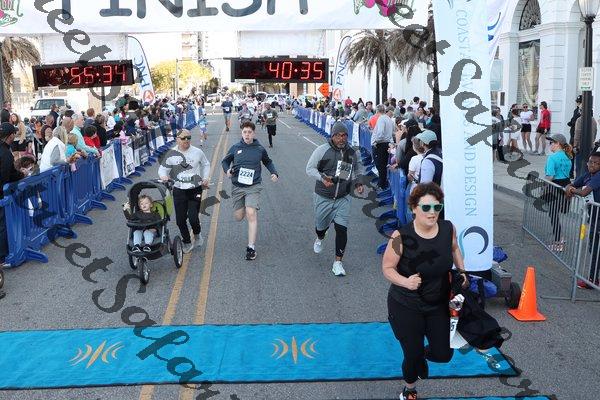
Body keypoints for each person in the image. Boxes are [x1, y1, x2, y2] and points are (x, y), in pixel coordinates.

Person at [382, 182, 468, 400]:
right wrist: (405, 281)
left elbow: (455, 248)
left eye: (437, 207)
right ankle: (409, 390)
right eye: (426, 207)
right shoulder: (400, 237)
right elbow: (387, 268)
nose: (432, 213)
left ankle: (420, 356)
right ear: (414, 208)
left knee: (443, 353)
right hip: (406, 304)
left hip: (437, 303)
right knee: (411, 354)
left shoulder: (448, 228)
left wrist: (462, 271)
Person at [306, 122, 364, 276]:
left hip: (343, 198)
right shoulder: (322, 150)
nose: (341, 138)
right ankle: (320, 236)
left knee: (341, 229)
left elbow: (358, 168)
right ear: (332, 136)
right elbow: (309, 168)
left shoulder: (352, 152)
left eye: (344, 135)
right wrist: (322, 178)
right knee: (320, 227)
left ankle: (338, 262)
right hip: (323, 196)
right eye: (338, 135)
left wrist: (359, 182)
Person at [221, 121, 279, 261]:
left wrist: (274, 173)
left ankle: (251, 247)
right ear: (242, 133)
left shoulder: (259, 149)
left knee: (251, 213)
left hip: (253, 186)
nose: (247, 135)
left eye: (249, 132)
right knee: (239, 217)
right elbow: (225, 161)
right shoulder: (235, 148)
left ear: (254, 133)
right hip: (237, 187)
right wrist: (227, 170)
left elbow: (268, 161)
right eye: (244, 132)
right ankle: (244, 208)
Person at [158, 129, 211, 253]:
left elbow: (206, 164)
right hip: (179, 190)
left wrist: (205, 178)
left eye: (188, 137)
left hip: (195, 189)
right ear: (177, 139)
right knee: (180, 220)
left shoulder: (197, 152)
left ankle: (197, 234)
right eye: (183, 138)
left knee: (193, 218)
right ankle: (187, 241)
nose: (186, 140)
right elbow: (162, 169)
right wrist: (163, 176)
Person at [566, 152, 600, 288]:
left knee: (595, 249)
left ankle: (592, 279)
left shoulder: (598, 176)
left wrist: (571, 191)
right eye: (590, 162)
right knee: (593, 248)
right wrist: (569, 187)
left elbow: (584, 192)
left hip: (598, 218)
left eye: (596, 163)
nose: (592, 165)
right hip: (594, 217)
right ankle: (593, 279)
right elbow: (573, 183)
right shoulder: (587, 175)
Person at [0, 122, 27, 268]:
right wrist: (22, 174)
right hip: (1, 196)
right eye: (14, 134)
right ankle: (1, 258)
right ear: (10, 136)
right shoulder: (6, 153)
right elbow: (7, 176)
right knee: (2, 225)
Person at [544, 133, 573, 252]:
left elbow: (550, 176)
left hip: (555, 186)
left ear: (557, 144)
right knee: (557, 213)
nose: (549, 144)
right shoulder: (568, 156)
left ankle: (558, 242)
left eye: (551, 142)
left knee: (553, 214)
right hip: (565, 185)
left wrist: (544, 187)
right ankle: (560, 237)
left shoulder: (552, 157)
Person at [371, 105, 395, 190]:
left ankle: (381, 185)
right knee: (383, 165)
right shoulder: (390, 120)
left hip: (380, 144)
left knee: (380, 165)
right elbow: (391, 133)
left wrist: (376, 141)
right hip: (386, 143)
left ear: (377, 111)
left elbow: (380, 132)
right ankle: (381, 184)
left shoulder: (382, 119)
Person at [567, 96, 582, 178]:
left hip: (578, 137)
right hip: (573, 135)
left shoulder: (586, 111)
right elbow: (573, 120)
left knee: (579, 157)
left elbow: (576, 121)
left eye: (579, 102)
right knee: (571, 155)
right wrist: (570, 123)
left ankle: (578, 175)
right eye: (577, 102)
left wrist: (572, 122)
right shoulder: (576, 110)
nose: (578, 103)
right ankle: (571, 173)